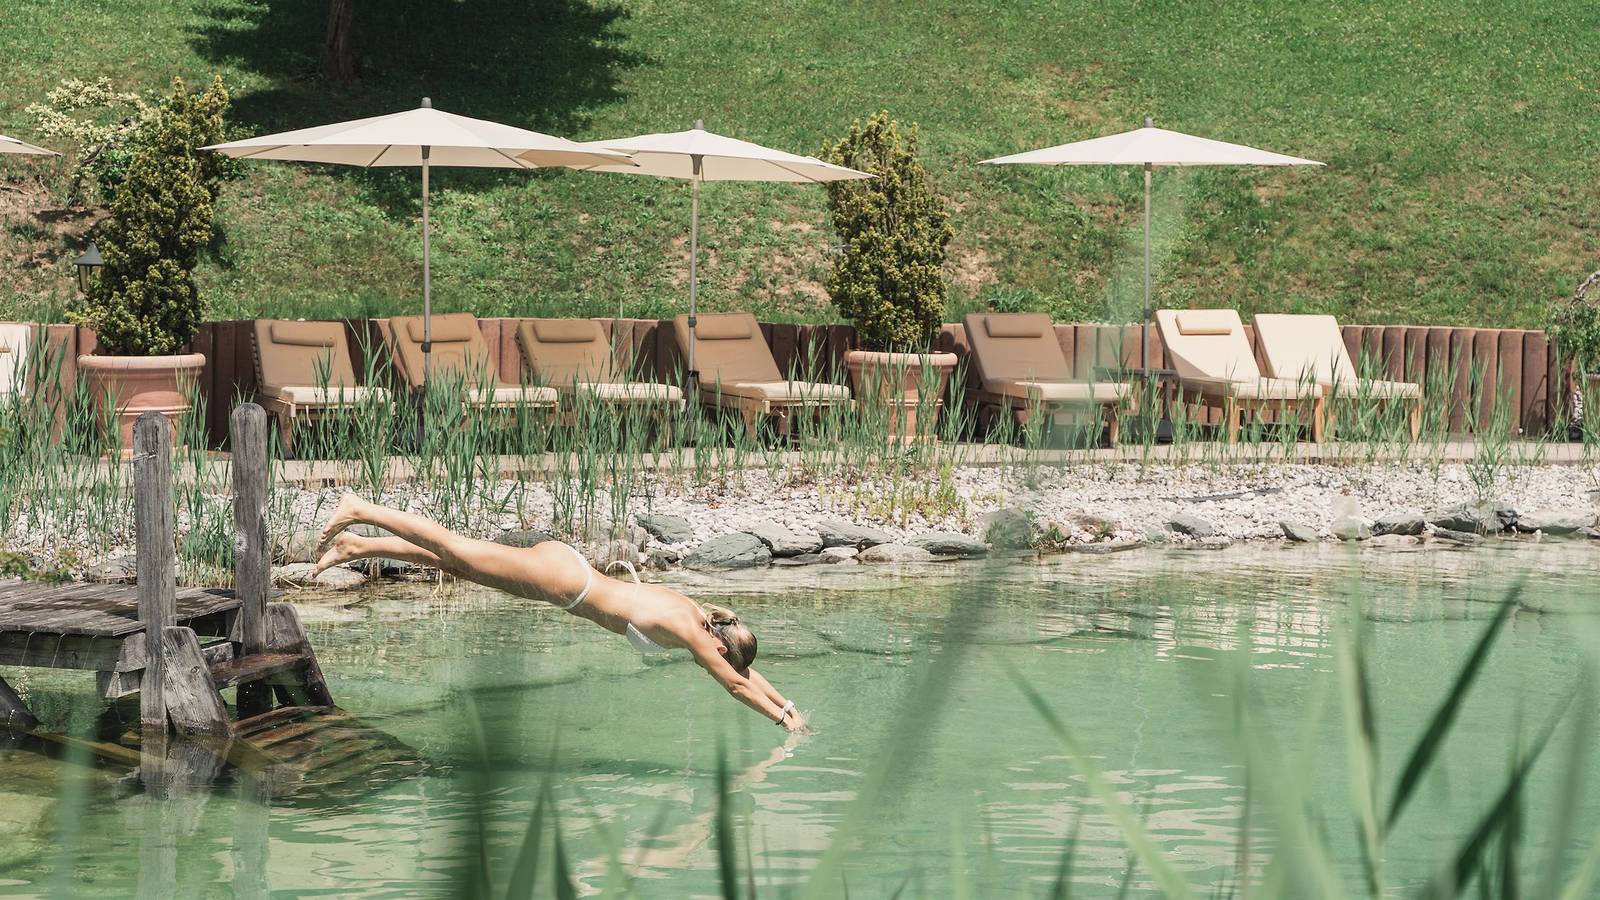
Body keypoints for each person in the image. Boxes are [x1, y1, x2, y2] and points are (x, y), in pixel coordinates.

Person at [314, 495, 807, 732]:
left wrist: (786, 706)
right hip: (566, 582)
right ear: (719, 646)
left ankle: (359, 546)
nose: (722, 662)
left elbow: (746, 671)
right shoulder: (695, 634)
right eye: (725, 658)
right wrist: (781, 722)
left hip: (568, 574)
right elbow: (738, 684)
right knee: (453, 546)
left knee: (462, 565)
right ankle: (361, 510)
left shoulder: (702, 615)